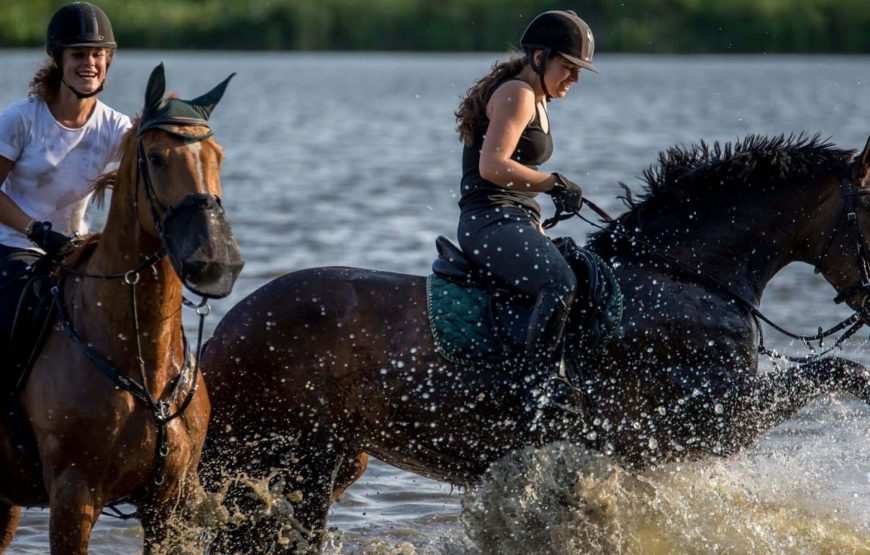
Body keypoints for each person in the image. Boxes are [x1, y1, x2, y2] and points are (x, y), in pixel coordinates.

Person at [454, 10, 596, 388]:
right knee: (560, 283)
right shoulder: (517, 94)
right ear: (539, 57)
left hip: (515, 219)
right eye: (568, 66)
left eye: (579, 71)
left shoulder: (538, 96)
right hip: (490, 220)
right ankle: (537, 387)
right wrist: (552, 183)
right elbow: (491, 167)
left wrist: (553, 189)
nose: (574, 78)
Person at [0, 2, 131, 378]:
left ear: (108, 62)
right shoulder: (21, 119)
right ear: (59, 60)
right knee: (16, 319)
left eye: (97, 54)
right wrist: (36, 231)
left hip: (73, 250)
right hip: (13, 245)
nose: (89, 63)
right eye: (78, 54)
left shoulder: (115, 127)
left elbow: (151, 162)